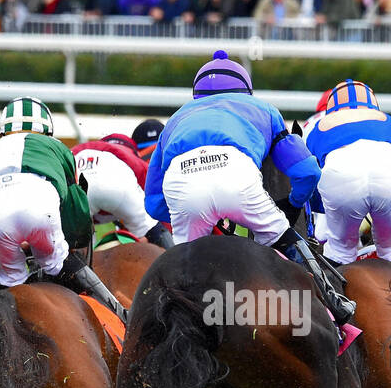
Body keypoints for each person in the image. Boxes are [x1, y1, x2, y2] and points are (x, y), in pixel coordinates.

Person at [144, 50, 356, 326]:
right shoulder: (263, 109)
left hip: (182, 183)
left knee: (185, 269)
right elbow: (307, 171)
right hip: (237, 177)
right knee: (284, 236)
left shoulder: (175, 120)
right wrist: (292, 205)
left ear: (196, 93)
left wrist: (207, 214)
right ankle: (333, 306)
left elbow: (154, 205)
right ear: (246, 90)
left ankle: (164, 325)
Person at [0, 97, 127, 322]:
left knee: (8, 282)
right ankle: (121, 316)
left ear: (3, 132)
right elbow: (75, 209)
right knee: (58, 263)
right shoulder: (57, 147)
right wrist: (71, 243)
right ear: (48, 131)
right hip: (39, 208)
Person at [303, 80, 391, 267]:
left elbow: (310, 183)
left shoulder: (318, 127)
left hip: (340, 181)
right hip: (389, 175)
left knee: (340, 251)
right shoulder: (388, 121)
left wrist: (328, 207)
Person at [71, 133, 174, 248]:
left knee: (80, 251)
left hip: (78, 186)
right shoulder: (133, 159)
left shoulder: (82, 149)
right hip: (119, 188)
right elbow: (157, 206)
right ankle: (177, 264)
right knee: (154, 230)